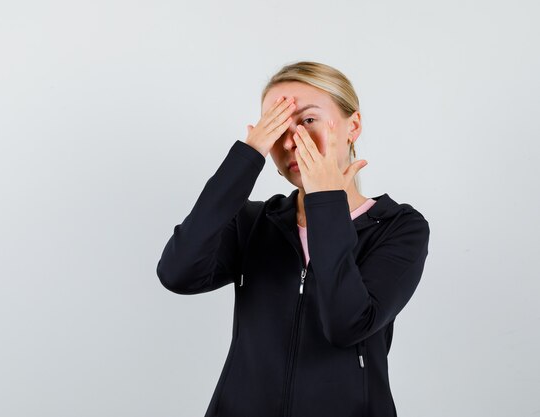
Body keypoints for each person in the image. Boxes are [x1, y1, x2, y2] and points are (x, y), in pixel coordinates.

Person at [156, 61, 430, 417]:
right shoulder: (254, 222)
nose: (289, 141)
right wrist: (246, 158)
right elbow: (177, 273)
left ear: (353, 126)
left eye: (307, 120)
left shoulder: (398, 227)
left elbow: (347, 324)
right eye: (276, 125)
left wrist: (326, 201)